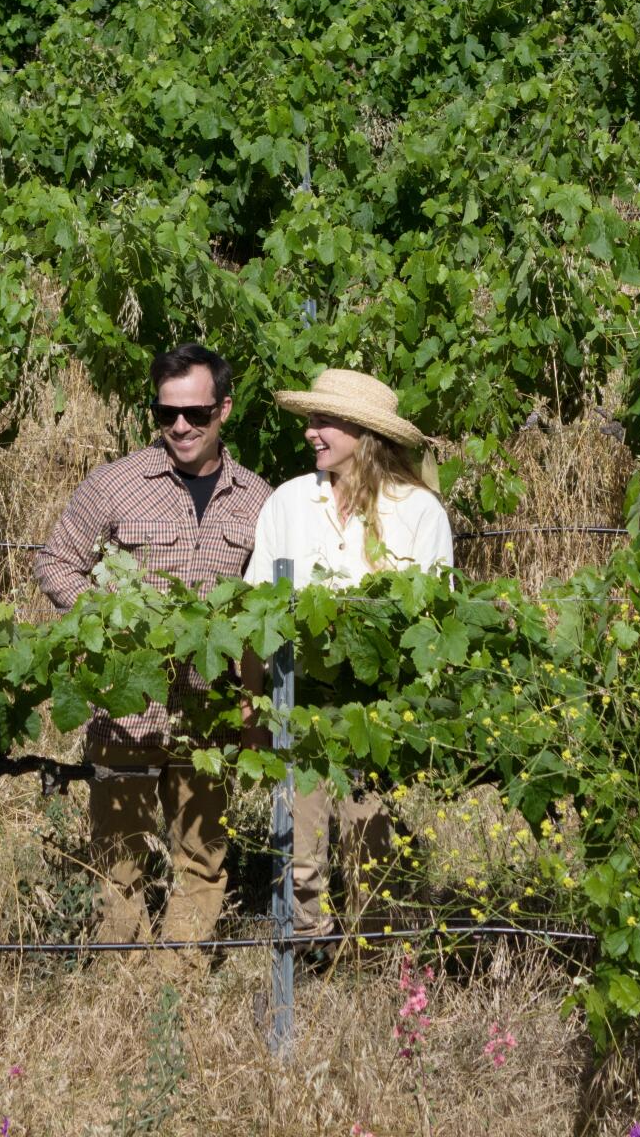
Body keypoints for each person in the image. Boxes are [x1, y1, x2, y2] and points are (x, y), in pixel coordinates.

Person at [36, 342, 273, 945]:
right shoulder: (114, 485)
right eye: (165, 413)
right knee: (118, 860)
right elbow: (55, 564)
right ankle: (125, 982)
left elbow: (264, 610)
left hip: (209, 709)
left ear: (224, 409)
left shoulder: (258, 500)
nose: (180, 426)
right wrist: (111, 622)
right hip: (125, 708)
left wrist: (252, 709)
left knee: (202, 857)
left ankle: (181, 978)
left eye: (194, 413)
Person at [245, 368, 452, 954]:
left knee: (373, 846)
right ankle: (307, 951)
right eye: (311, 420)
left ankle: (370, 964)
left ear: (364, 432)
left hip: (379, 710)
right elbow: (259, 612)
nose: (311, 432)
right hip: (298, 701)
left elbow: (430, 624)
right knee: (300, 850)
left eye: (324, 421)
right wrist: (253, 702)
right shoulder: (289, 502)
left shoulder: (418, 512)